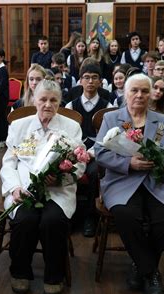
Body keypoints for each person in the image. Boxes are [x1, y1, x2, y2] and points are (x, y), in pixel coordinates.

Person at [94, 73, 164, 294]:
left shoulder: (163, 121)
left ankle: (139, 265)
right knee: (125, 214)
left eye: (145, 91)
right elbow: (100, 152)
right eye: (134, 90)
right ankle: (151, 273)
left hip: (155, 181)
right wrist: (127, 163)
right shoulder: (113, 119)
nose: (140, 95)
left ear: (151, 94)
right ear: (125, 92)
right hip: (122, 181)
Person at [0, 79, 85, 294]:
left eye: (53, 100)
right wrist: (14, 188)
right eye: (43, 99)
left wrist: (60, 177)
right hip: (24, 187)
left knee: (52, 221)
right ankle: (20, 272)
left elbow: (80, 162)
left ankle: (53, 276)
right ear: (34, 100)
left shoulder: (71, 126)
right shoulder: (20, 125)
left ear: (59, 102)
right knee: (25, 220)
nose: (48, 104)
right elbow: (9, 162)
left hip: (57, 189)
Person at [66, 63, 114, 237]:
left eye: (94, 77)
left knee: (94, 173)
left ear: (100, 82)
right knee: (65, 169)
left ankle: (90, 217)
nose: (90, 81)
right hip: (75, 152)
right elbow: (67, 134)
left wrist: (91, 153)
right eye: (86, 77)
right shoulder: (72, 105)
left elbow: (109, 137)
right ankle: (69, 214)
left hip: (97, 152)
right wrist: (78, 152)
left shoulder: (107, 105)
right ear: (80, 81)